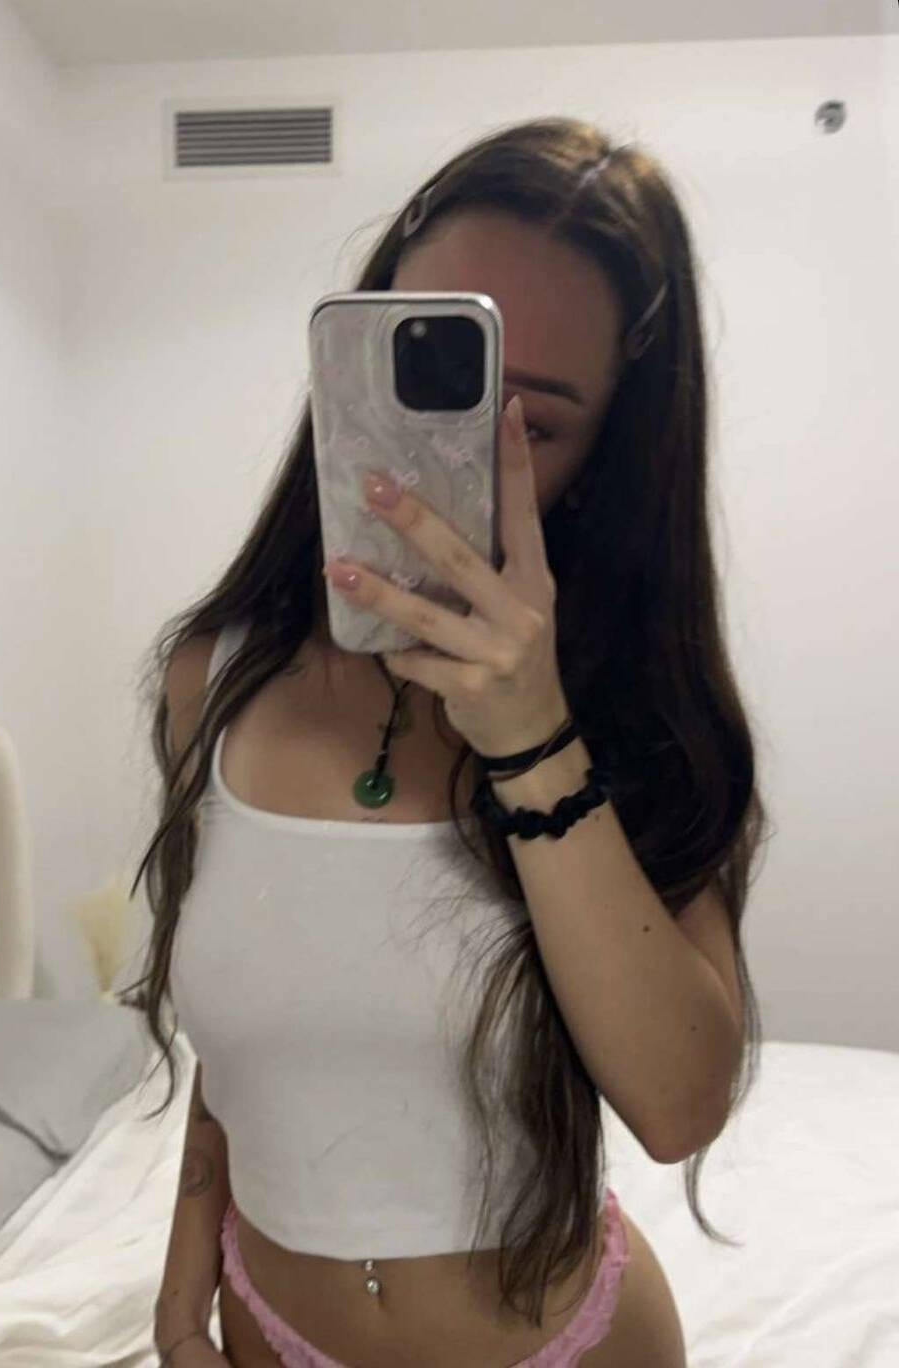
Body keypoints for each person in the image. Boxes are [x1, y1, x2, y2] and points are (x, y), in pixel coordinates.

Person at [125, 114, 765, 1368]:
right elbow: (247, 1038)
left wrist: (533, 741)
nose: (447, 455)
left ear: (609, 454)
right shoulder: (214, 680)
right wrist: (178, 1296)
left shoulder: (636, 715)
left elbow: (679, 1104)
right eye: (424, 370)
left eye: (533, 420)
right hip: (262, 1333)